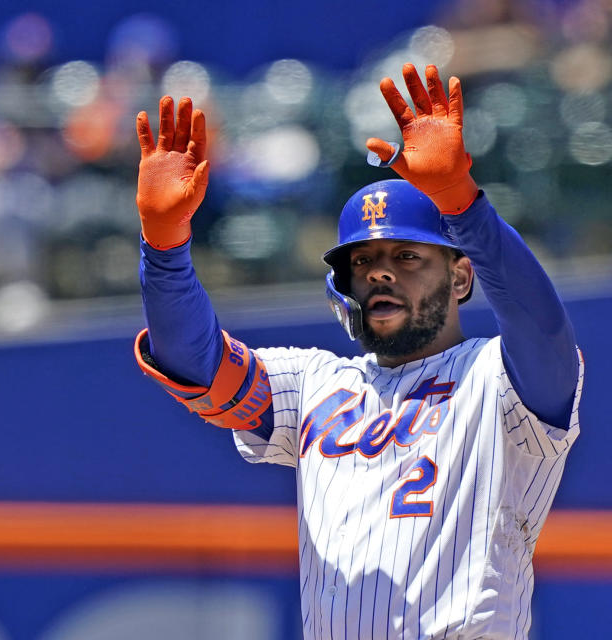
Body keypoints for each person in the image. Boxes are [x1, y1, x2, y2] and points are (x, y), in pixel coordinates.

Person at [134, 63, 584, 640]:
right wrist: (165, 246)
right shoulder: (315, 383)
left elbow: (544, 328)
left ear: (462, 278)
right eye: (364, 261)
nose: (381, 274)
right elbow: (195, 365)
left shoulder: (499, 378)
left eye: (408, 257)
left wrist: (462, 204)